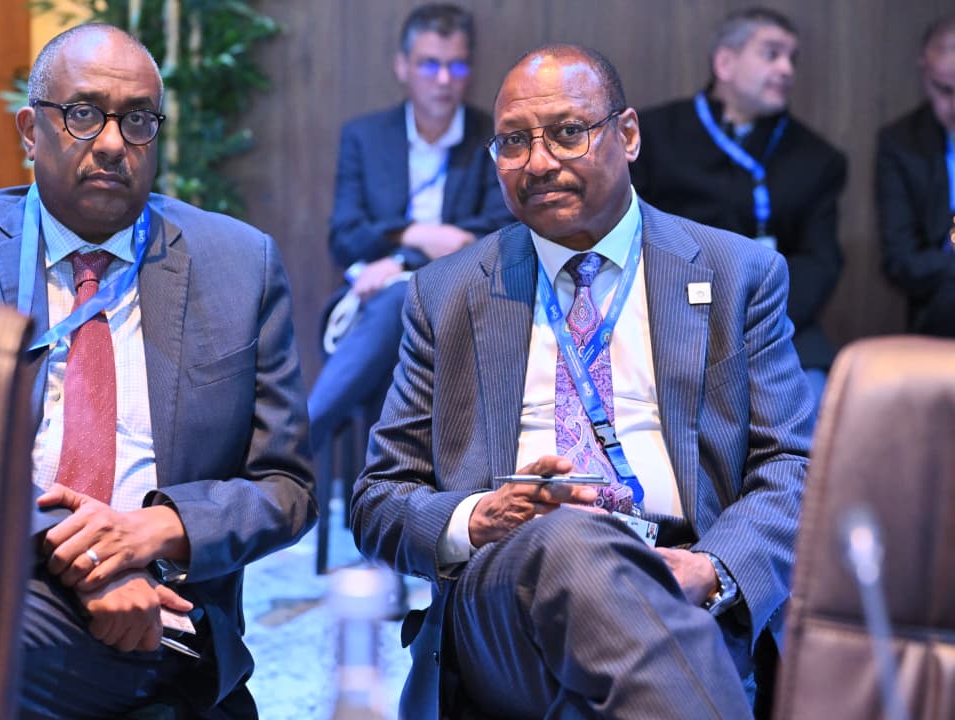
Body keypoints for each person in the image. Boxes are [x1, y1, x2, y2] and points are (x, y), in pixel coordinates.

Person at [351, 43, 812, 719]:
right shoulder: (445, 295)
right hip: (505, 589)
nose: (538, 162)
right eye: (514, 141)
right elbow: (379, 500)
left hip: (684, 578)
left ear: (627, 135)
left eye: (567, 132)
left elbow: (792, 466)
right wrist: (477, 517)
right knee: (571, 535)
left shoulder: (735, 274)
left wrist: (712, 570)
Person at [0, 23, 315, 718]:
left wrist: (158, 530)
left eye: (138, 119)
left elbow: (287, 488)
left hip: (166, 612)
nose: (113, 142)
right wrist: (87, 561)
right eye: (84, 114)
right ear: (32, 131)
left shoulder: (239, 265)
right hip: (3, 574)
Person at [309, 3, 512, 453]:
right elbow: (344, 236)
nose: (444, 80)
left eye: (457, 66)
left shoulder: (492, 137)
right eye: (429, 65)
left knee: (404, 298)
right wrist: (417, 235)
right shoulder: (365, 136)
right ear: (402, 66)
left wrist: (401, 258)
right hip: (369, 298)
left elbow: (496, 233)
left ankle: (302, 437)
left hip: (460, 297)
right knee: (396, 318)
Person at [630, 6, 846, 415]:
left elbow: (819, 261)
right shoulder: (651, 137)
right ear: (725, 63)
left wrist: (756, 319)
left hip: (777, 322)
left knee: (815, 402)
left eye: (792, 58)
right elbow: (633, 236)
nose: (786, 69)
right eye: (771, 54)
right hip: (669, 319)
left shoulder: (818, 158)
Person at [877, 13, 955, 336]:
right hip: (941, 305)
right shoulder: (900, 142)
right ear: (925, 72)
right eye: (945, 90)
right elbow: (901, 260)